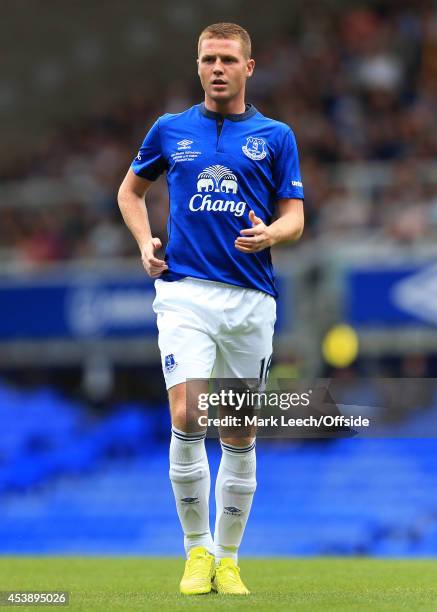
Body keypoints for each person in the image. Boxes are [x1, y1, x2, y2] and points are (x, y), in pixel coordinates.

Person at [118, 22, 304, 596]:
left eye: (227, 58)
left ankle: (228, 558)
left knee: (241, 431)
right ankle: (196, 552)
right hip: (185, 293)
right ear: (197, 65)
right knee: (185, 414)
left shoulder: (276, 136)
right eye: (207, 58)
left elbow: (296, 218)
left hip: (251, 298)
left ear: (250, 66)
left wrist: (270, 234)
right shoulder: (170, 130)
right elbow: (130, 192)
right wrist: (145, 240)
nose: (216, 68)